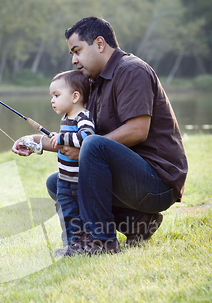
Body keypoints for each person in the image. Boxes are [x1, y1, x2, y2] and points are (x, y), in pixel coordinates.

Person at [12, 17, 188, 256]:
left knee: (92, 145)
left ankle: (102, 242)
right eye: (71, 54)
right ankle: (137, 222)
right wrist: (34, 142)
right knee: (58, 182)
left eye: (77, 51)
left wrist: (87, 149)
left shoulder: (131, 70)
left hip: (158, 183)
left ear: (100, 43)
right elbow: (76, 140)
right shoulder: (94, 84)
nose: (74, 60)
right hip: (130, 180)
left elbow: (137, 130)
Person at [23, 70, 95, 246]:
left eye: (56, 95)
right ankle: (71, 245)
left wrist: (62, 138)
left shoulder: (83, 117)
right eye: (51, 96)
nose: (52, 100)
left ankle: (85, 242)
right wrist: (57, 136)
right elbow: (67, 138)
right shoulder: (66, 118)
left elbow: (88, 137)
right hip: (64, 178)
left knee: (82, 213)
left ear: (75, 96)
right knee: (66, 212)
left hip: (80, 181)